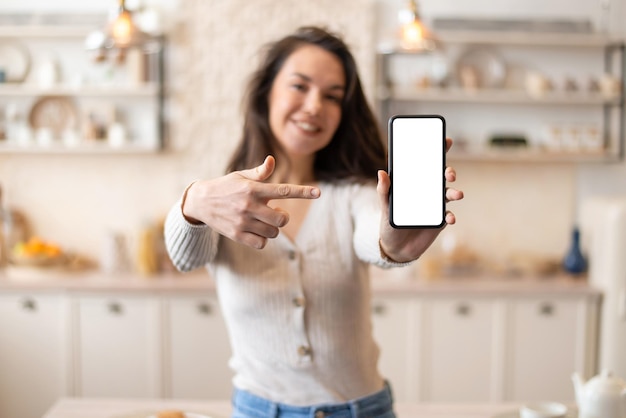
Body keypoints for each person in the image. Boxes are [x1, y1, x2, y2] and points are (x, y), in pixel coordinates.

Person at [164, 26, 464, 418]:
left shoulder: (353, 193)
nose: (314, 106)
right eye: (299, 86)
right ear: (266, 93)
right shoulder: (226, 198)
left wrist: (391, 241)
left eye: (332, 96)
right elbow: (185, 257)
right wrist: (193, 200)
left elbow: (373, 235)